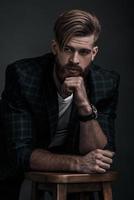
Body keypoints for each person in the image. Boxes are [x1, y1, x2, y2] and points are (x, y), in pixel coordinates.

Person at [0, 9, 120, 200]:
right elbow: (20, 152)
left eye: (84, 52)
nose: (74, 60)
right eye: (68, 49)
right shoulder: (23, 76)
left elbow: (101, 155)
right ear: (55, 47)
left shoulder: (106, 82)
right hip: (15, 161)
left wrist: (84, 106)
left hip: (70, 156)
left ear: (94, 53)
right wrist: (78, 163)